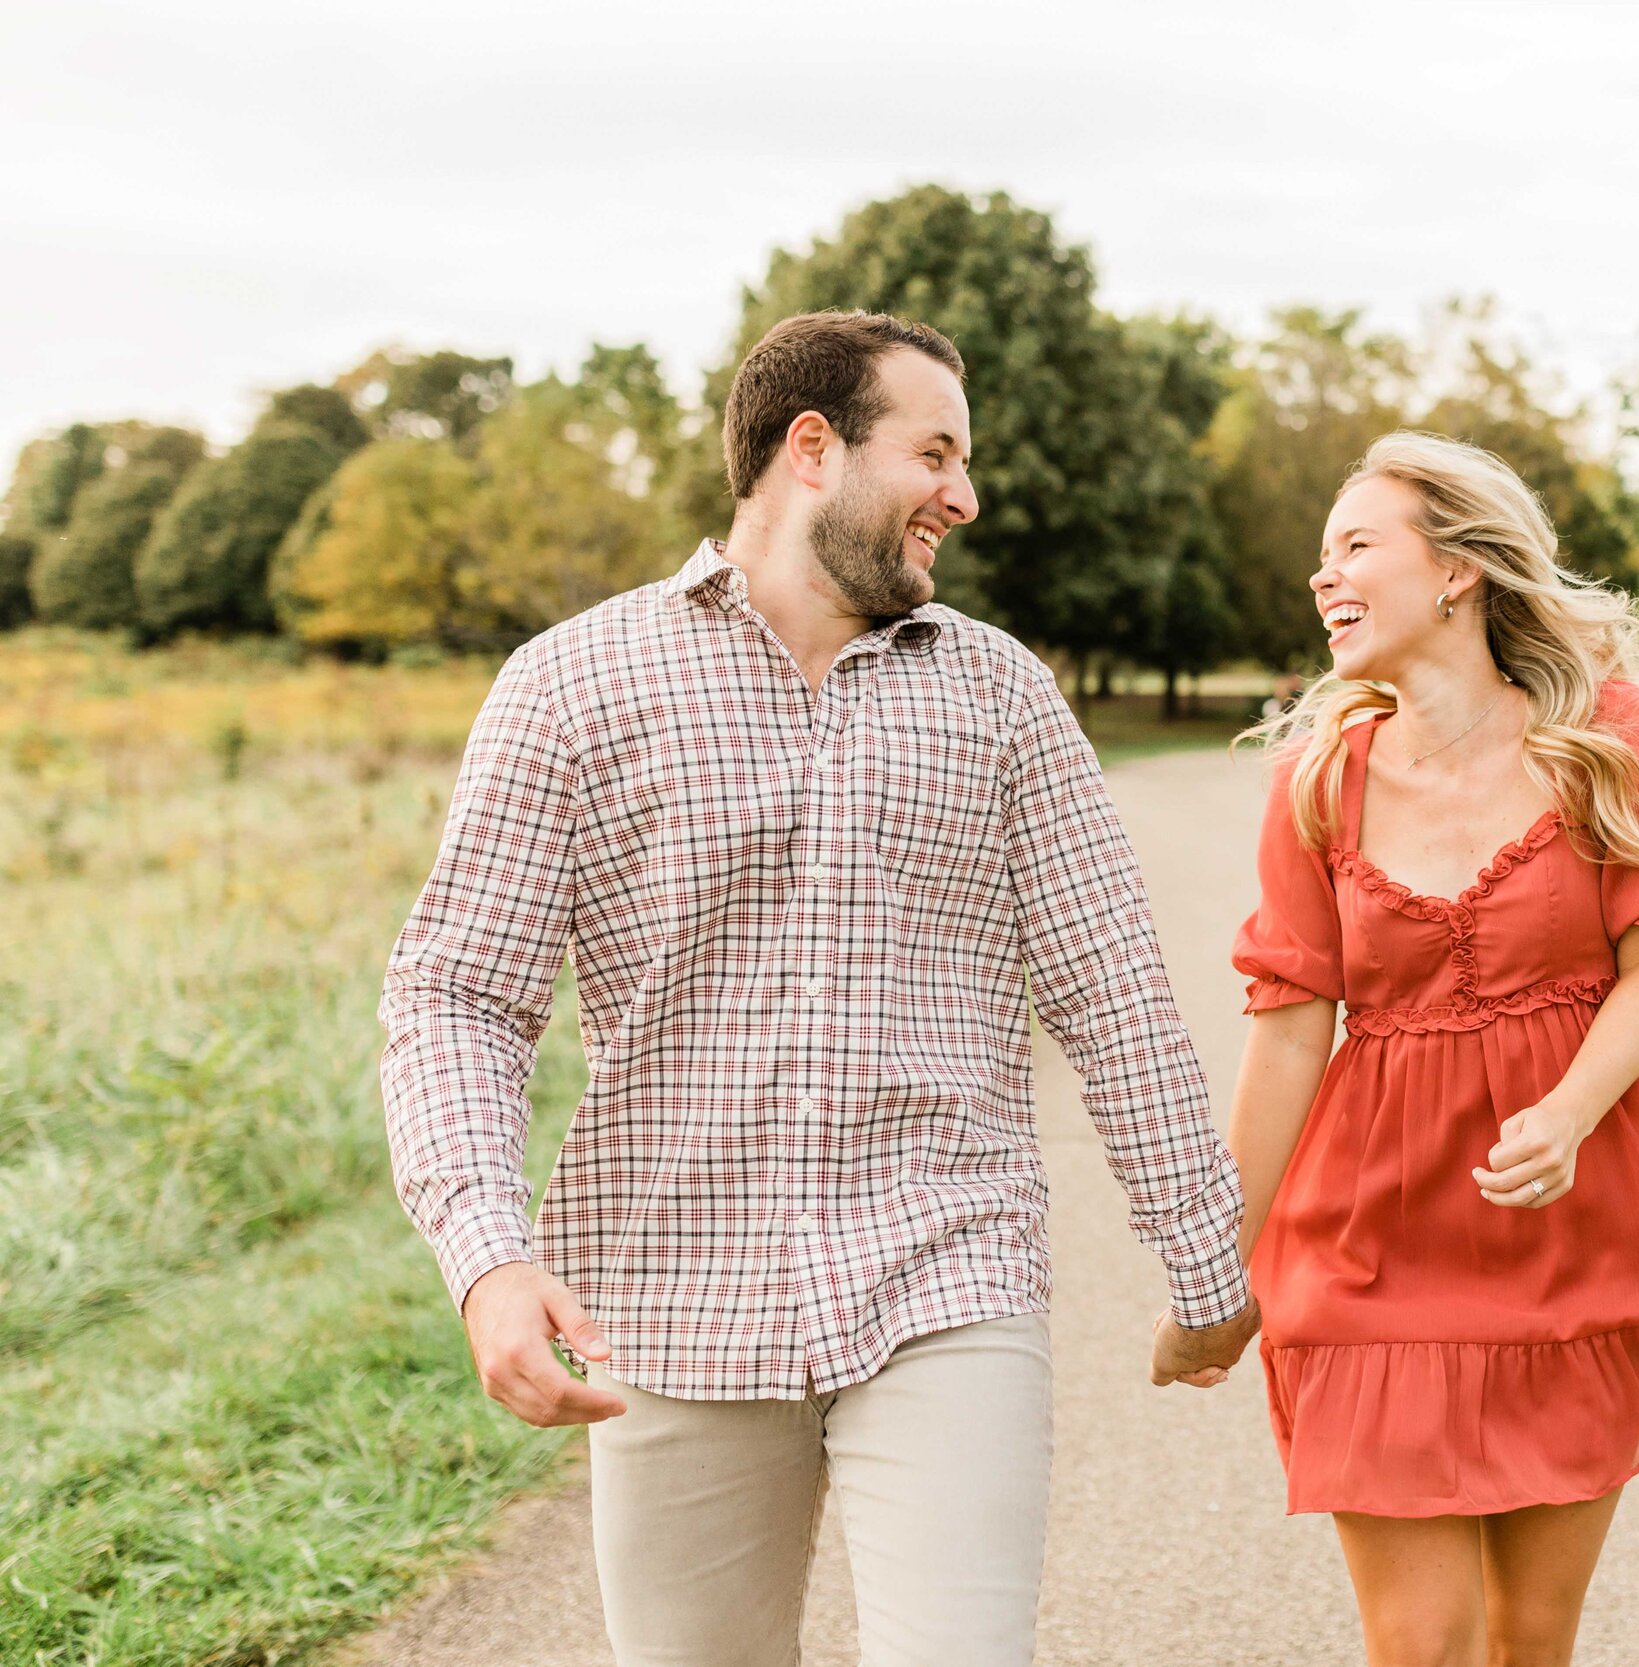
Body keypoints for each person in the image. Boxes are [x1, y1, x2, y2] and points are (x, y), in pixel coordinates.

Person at [380, 308, 1258, 1667]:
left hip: (943, 1272)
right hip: (671, 1296)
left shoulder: (1002, 698)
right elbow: (458, 998)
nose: (964, 497)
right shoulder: (569, 685)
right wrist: (487, 1258)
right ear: (813, 448)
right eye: (936, 452)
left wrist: (1207, 1261)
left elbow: (1114, 990)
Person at [1227, 431, 1639, 1666]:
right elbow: (1284, 1033)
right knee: (1420, 1643)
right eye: (1321, 556)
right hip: (1372, 1239)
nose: (1325, 576)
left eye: (1355, 545)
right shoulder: (1319, 780)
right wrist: (1216, 1265)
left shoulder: (1605, 736)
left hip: (1571, 1233)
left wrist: (1573, 1108)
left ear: (1459, 570)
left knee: (1529, 1638)